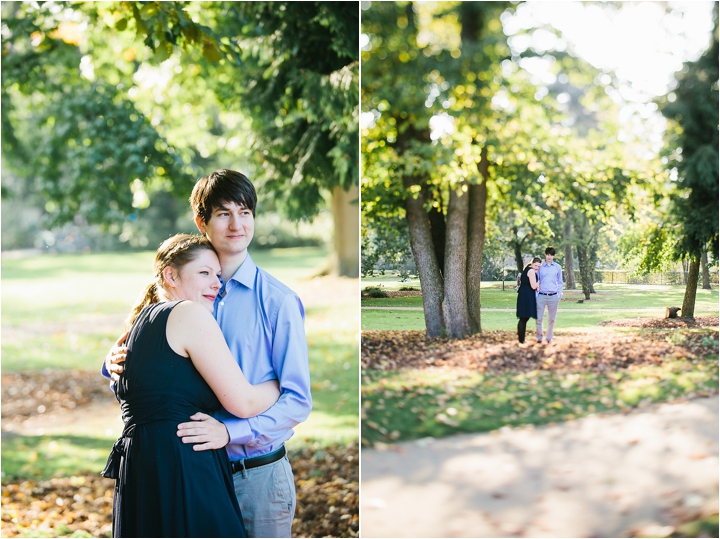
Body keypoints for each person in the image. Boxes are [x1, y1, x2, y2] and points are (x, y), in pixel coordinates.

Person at [104, 169, 312, 538]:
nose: (237, 224)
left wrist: (230, 432)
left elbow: (297, 401)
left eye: (245, 212)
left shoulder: (278, 302)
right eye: (224, 213)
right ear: (202, 221)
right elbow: (150, 367)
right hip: (191, 473)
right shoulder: (186, 286)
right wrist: (110, 364)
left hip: (255, 475)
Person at [102, 234, 281, 537]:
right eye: (204, 273)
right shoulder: (189, 313)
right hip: (182, 466)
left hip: (142, 466)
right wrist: (280, 382)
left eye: (218, 275)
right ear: (171, 275)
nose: (217, 283)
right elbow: (244, 403)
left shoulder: (140, 321)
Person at [536, 246, 563, 344]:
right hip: (541, 295)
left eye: (551, 255)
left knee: (552, 319)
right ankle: (539, 337)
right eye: (548, 254)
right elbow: (536, 281)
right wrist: (536, 295)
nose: (549, 257)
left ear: (553, 256)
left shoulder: (557, 267)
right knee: (539, 318)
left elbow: (560, 282)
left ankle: (548, 337)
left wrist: (559, 295)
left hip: (553, 296)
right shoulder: (540, 267)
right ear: (545, 255)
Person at [516, 257, 542, 343]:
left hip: (525, 295)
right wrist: (540, 281)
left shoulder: (527, 270)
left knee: (524, 318)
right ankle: (521, 340)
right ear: (532, 264)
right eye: (535, 265)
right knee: (523, 318)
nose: (537, 268)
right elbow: (533, 286)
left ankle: (521, 339)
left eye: (538, 266)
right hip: (526, 296)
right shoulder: (530, 271)